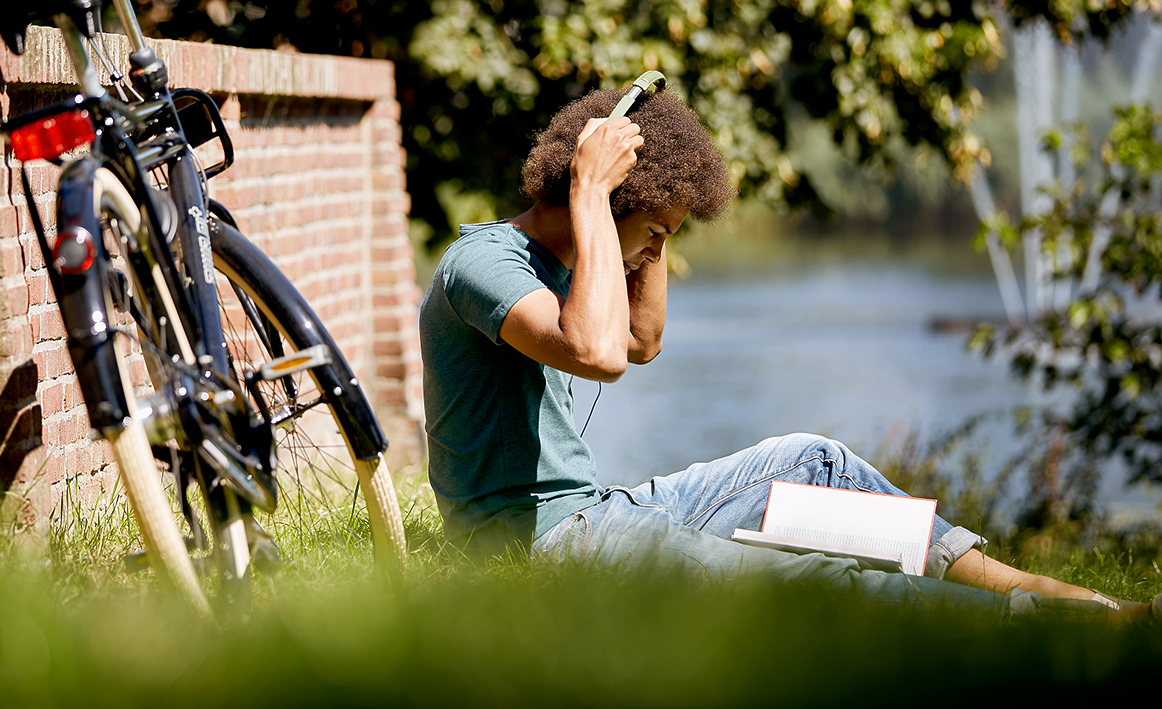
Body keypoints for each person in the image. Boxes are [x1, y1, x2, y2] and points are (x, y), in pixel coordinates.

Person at [419, 85, 1156, 619]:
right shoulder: (485, 264)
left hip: (601, 512)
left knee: (815, 463)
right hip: (549, 547)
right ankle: (1065, 636)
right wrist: (593, 195)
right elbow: (599, 351)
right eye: (658, 230)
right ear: (602, 202)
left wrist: (629, 229)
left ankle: (1042, 592)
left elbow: (641, 342)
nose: (657, 251)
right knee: (820, 579)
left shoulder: (571, 265)